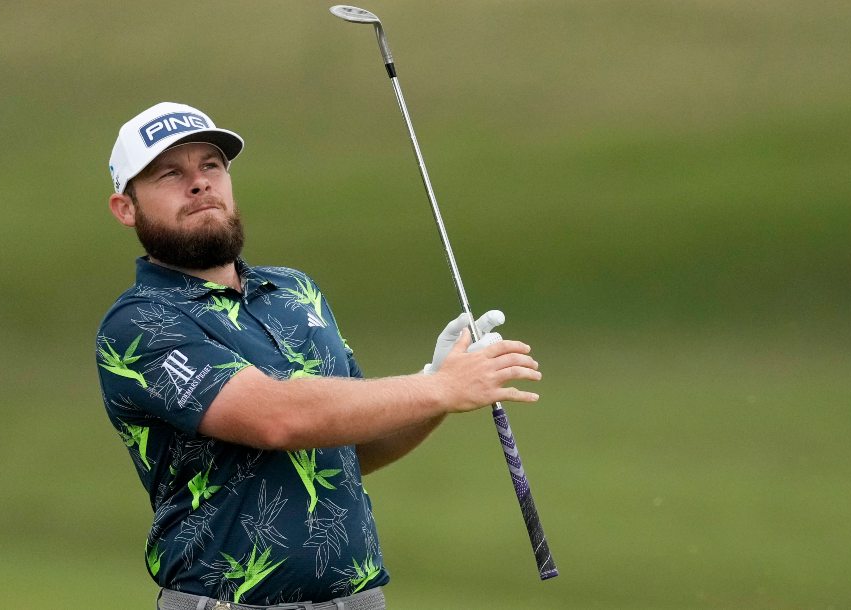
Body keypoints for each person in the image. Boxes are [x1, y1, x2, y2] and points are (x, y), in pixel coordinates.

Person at [96, 102, 541, 610]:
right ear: (125, 208)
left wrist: (434, 383)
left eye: (211, 166)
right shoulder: (138, 324)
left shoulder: (294, 291)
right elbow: (277, 418)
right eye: (170, 173)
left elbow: (351, 445)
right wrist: (440, 387)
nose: (199, 183)